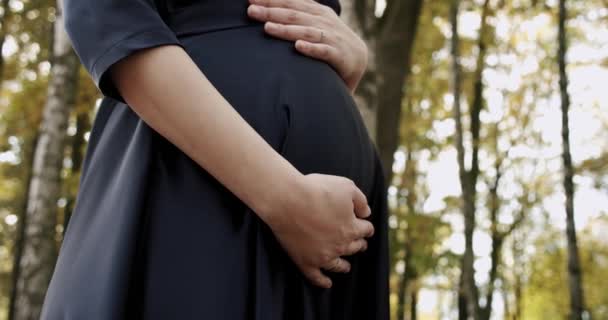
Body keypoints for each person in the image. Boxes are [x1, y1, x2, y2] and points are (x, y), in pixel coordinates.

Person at [41, 0, 389, 319]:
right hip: (194, 178)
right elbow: (108, 16)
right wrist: (284, 195)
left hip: (333, 230)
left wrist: (350, 54)